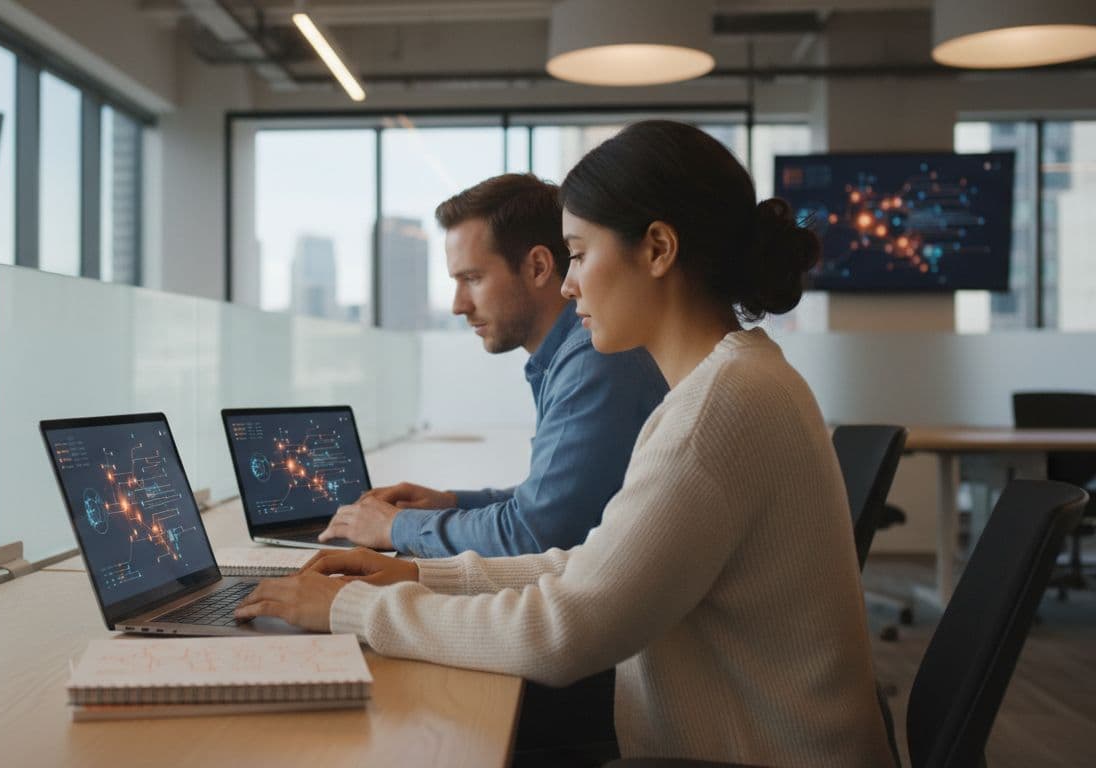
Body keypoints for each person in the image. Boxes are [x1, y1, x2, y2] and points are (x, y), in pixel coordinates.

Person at [237, 121, 894, 765]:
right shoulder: (735, 379)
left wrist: (356, 609)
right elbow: (593, 569)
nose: (569, 281)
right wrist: (417, 573)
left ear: (658, 249)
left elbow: (566, 631)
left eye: (578, 253)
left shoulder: (718, 408)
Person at [319, 173, 667, 557]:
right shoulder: (566, 356)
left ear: (537, 267)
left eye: (472, 278)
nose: (458, 305)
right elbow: (556, 502)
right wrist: (450, 502)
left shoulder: (591, 359)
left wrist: (396, 526)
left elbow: (535, 533)